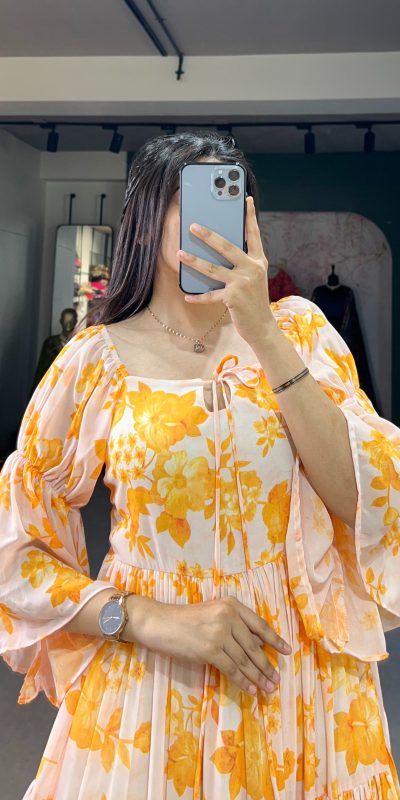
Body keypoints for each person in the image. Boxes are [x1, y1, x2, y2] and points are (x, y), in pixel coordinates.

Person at [1, 131, 400, 799]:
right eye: (193, 196)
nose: (215, 218)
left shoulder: (300, 333)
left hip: (301, 677)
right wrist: (145, 618)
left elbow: (364, 503)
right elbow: (18, 552)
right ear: (144, 216)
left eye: (232, 199)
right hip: (155, 683)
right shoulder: (95, 361)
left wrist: (263, 332)